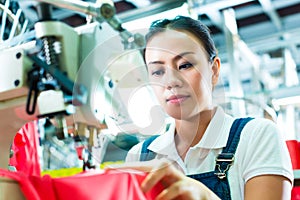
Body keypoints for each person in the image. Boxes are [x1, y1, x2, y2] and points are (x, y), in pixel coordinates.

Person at [110, 16, 294, 200]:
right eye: (158, 72)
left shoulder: (256, 136)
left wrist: (206, 197)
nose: (171, 81)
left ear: (213, 70)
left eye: (185, 65)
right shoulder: (140, 156)